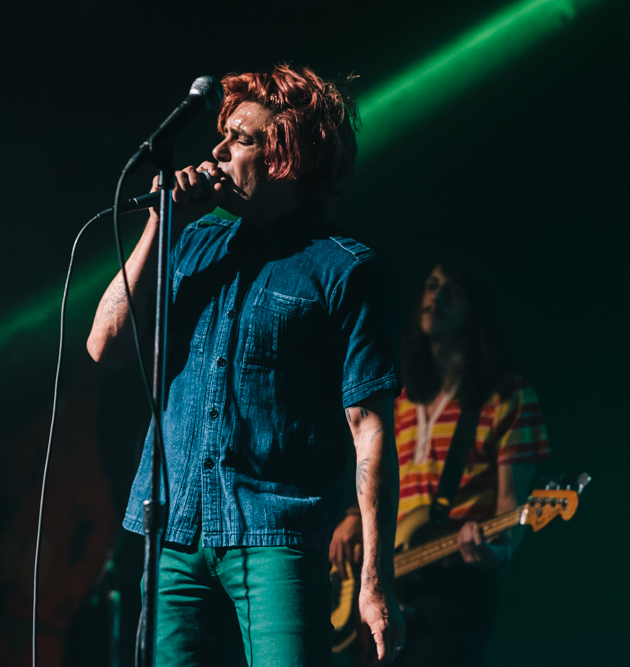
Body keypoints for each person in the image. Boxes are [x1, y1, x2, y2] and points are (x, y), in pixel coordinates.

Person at [86, 65, 405, 667]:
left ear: (286, 156)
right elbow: (105, 345)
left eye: (241, 138)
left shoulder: (343, 268)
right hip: (174, 532)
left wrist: (375, 581)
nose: (218, 151)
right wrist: (160, 223)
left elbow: (370, 428)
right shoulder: (192, 241)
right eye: (222, 135)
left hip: (275, 535)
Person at [329, 258, 550, 666]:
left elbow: (512, 504)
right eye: (432, 286)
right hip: (389, 573)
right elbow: (378, 474)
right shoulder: (401, 397)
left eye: (455, 291)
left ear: (477, 310)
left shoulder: (507, 395)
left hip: (453, 583)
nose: (437, 297)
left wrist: (497, 553)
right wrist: (352, 518)